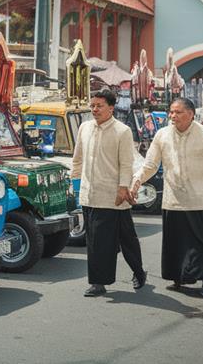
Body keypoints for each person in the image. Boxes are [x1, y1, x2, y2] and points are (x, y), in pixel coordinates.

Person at [132, 98, 203, 299]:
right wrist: (136, 181)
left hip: (200, 199)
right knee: (176, 243)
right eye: (171, 112)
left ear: (191, 114)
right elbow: (150, 164)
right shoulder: (162, 135)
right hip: (173, 199)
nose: (172, 116)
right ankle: (178, 278)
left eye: (177, 112)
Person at [72, 89, 146, 297]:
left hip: (114, 195)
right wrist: (74, 184)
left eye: (99, 106)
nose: (94, 109)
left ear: (111, 108)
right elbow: (77, 159)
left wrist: (124, 188)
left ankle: (138, 272)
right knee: (97, 240)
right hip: (90, 195)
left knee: (127, 239)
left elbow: (126, 163)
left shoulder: (122, 131)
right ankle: (98, 282)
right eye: (92, 105)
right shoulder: (84, 128)